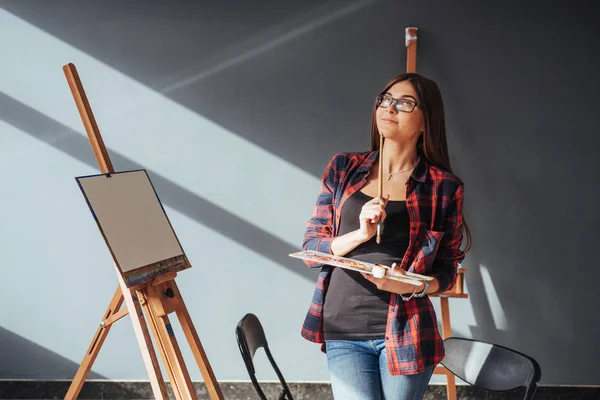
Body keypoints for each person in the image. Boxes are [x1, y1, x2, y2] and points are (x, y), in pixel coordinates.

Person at [300, 73, 472, 400]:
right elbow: (310, 249)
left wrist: (414, 285)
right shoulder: (343, 169)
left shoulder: (444, 186)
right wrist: (360, 233)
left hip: (407, 329)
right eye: (385, 99)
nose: (389, 107)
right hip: (344, 326)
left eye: (405, 103)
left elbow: (447, 271)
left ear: (425, 121)